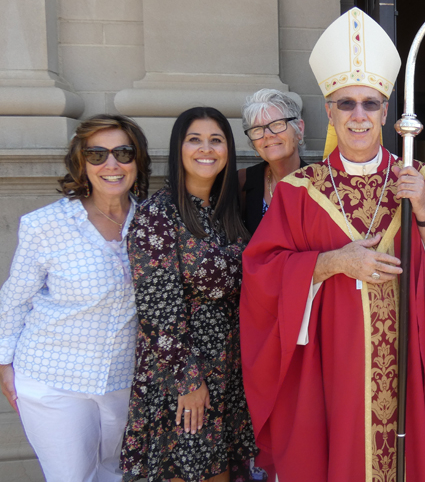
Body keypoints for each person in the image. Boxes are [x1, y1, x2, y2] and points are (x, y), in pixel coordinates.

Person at [240, 8, 425, 482]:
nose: (358, 115)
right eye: (345, 103)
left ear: (387, 112)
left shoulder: (423, 181)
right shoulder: (299, 190)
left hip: (407, 361)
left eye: (370, 104)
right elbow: (262, 275)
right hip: (329, 369)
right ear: (328, 110)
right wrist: (333, 263)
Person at [0, 114, 151, 481]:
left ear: (137, 161)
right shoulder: (45, 225)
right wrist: (4, 363)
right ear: (81, 164)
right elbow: (15, 298)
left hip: (124, 381)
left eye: (123, 153)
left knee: (115, 475)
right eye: (97, 155)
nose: (111, 164)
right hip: (54, 378)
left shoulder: (152, 223)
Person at [120, 107, 257, 482]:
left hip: (227, 372)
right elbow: (157, 309)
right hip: (182, 378)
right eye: (194, 139)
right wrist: (188, 381)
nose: (206, 149)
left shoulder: (227, 215)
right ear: (178, 148)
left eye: (216, 140)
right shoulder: (158, 215)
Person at [239, 88, 308, 235]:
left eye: (277, 124)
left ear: (299, 129)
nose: (268, 135)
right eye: (257, 129)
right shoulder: (241, 183)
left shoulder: (322, 185)